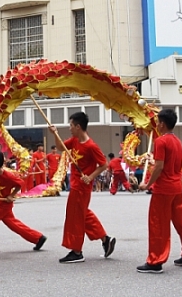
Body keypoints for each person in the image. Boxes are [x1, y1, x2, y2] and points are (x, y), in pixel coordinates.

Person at [137, 109, 182, 274]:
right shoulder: (178, 141)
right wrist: (154, 162)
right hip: (176, 187)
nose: (156, 125)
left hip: (163, 189)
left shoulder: (160, 141)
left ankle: (155, 260)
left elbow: (160, 167)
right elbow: (166, 164)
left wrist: (147, 184)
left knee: (158, 224)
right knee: (181, 222)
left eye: (158, 122)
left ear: (162, 124)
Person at [53, 111, 115, 264]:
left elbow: (103, 165)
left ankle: (77, 251)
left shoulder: (91, 146)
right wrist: (54, 133)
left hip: (82, 187)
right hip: (75, 184)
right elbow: (61, 147)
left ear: (78, 127)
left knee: (75, 217)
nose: (70, 128)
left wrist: (91, 176)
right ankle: (105, 239)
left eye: (71, 125)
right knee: (83, 214)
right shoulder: (74, 140)